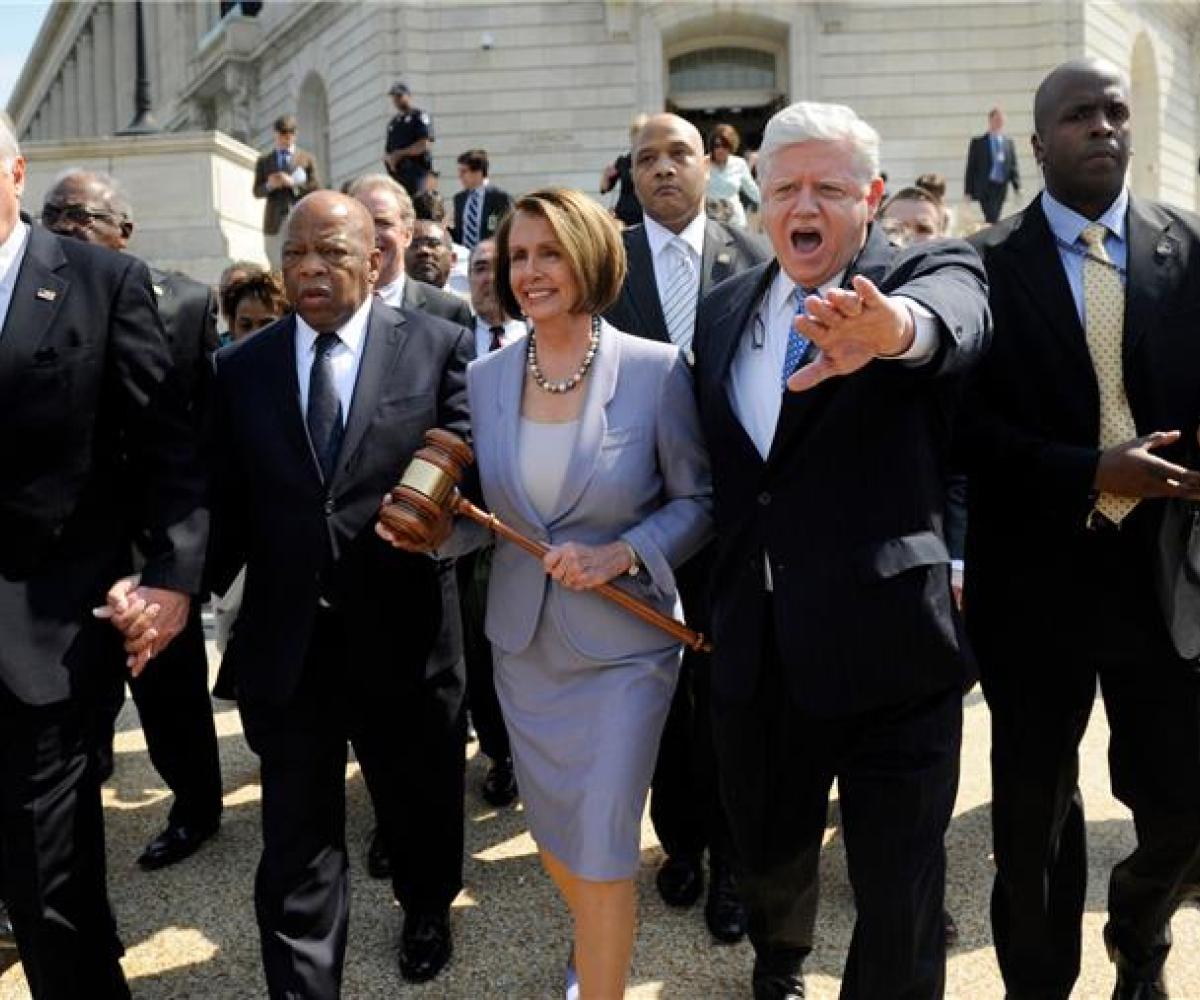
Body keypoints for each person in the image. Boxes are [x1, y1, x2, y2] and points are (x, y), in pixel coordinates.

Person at [693, 101, 989, 1000]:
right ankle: (781, 958)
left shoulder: (927, 268)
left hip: (892, 650)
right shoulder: (721, 311)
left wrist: (892, 331)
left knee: (899, 894)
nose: (802, 204)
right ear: (759, 201)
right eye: (784, 187)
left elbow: (953, 319)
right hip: (758, 653)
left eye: (827, 186)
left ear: (867, 197)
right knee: (768, 855)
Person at [386, 186, 712, 997]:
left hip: (624, 653)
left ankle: (596, 981)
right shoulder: (488, 373)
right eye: (519, 255)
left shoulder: (656, 369)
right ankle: (591, 948)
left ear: (589, 258)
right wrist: (432, 534)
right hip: (523, 650)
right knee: (558, 841)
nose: (531, 271)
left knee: (603, 846)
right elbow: (489, 518)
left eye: (550, 253)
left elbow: (699, 501)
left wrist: (622, 553)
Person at [960, 58, 1200, 1000]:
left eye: (1114, 112)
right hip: (1035, 583)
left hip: (1167, 576)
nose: (1101, 127)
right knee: (1032, 822)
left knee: (1184, 803)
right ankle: (1037, 986)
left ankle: (1139, 938)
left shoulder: (1190, 246)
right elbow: (966, 433)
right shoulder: (982, 262)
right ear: (1036, 143)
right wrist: (1089, 471)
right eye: (1077, 115)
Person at [205, 191, 474, 996]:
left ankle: (427, 906)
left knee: (417, 800)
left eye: (330, 254)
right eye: (295, 257)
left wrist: (436, 514)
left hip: (405, 629)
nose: (310, 270)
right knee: (295, 835)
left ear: (373, 258)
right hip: (291, 643)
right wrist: (172, 587)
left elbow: (468, 451)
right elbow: (220, 500)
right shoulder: (240, 367)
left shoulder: (437, 343)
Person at [0, 116, 206, 999]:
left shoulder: (100, 282)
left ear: (14, 171)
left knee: (49, 873)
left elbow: (168, 448)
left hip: (45, 631)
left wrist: (170, 576)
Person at [604, 111, 767, 944]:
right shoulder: (607, 266)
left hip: (740, 527)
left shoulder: (760, 259)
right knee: (662, 696)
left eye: (678, 155)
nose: (663, 169)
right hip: (644, 524)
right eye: (646, 159)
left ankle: (737, 862)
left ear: (711, 165)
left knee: (736, 697)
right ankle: (683, 842)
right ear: (630, 176)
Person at [38, 168, 224, 872]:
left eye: (80, 215)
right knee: (70, 691)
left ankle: (196, 806)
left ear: (124, 231)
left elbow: (198, 430)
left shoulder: (184, 301)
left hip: (153, 543)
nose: (63, 225)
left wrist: (185, 553)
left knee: (170, 693)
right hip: (72, 540)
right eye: (52, 212)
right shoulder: (33, 297)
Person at [456, 237, 526, 808]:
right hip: (474, 539)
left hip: (544, 536)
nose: (488, 278)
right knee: (483, 657)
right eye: (478, 268)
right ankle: (501, 755)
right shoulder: (451, 344)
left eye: (496, 267)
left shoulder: (548, 342)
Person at [349, 174, 472, 328]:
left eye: (383, 223)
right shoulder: (325, 308)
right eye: (362, 222)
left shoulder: (448, 312)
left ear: (407, 234)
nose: (373, 234)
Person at [253, 114, 320, 268]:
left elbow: (316, 187)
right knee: (276, 263)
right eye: (283, 134)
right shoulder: (265, 161)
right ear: (276, 134)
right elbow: (257, 191)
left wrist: (293, 183)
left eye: (290, 134)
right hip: (274, 220)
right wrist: (270, 185)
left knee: (300, 260)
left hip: (300, 215)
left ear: (295, 135)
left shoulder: (306, 158)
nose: (287, 138)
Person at [964, 106, 1020, 224]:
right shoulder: (978, 143)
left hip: (1000, 187)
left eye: (1001, 120)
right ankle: (992, 237)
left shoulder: (1008, 143)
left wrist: (1017, 187)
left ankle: (991, 235)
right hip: (984, 186)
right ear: (990, 121)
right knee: (992, 216)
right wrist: (967, 192)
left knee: (993, 217)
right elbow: (971, 168)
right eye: (997, 120)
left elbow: (1012, 167)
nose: (999, 123)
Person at [451, 149, 513, 250]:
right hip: (464, 257)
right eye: (459, 172)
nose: (460, 176)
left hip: (490, 255)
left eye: (464, 171)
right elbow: (459, 234)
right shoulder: (459, 199)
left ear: (478, 172)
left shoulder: (499, 198)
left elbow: (502, 228)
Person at [384, 82, 435, 197]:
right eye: (394, 97)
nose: (396, 100)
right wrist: (389, 159)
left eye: (399, 96)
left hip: (418, 173)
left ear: (408, 96)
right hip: (398, 175)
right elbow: (388, 151)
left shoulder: (418, 116)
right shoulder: (394, 123)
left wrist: (400, 154)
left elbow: (424, 144)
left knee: (422, 207)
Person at [706, 123, 761, 229]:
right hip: (710, 224)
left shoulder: (739, 163)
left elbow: (751, 189)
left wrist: (769, 204)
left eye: (725, 145)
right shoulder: (703, 163)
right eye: (717, 145)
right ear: (712, 146)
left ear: (731, 146)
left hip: (736, 223)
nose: (721, 149)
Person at [600, 113, 648, 228]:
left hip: (647, 215)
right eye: (636, 134)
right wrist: (606, 176)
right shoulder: (623, 161)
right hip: (624, 215)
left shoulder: (653, 161)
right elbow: (604, 189)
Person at [223, 268, 288, 342]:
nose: (254, 335)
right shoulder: (217, 352)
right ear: (232, 326)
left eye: (267, 327)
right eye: (246, 326)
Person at [406, 218, 457, 291]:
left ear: (453, 259)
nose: (423, 250)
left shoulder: (469, 302)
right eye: (414, 245)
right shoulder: (386, 301)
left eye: (433, 244)